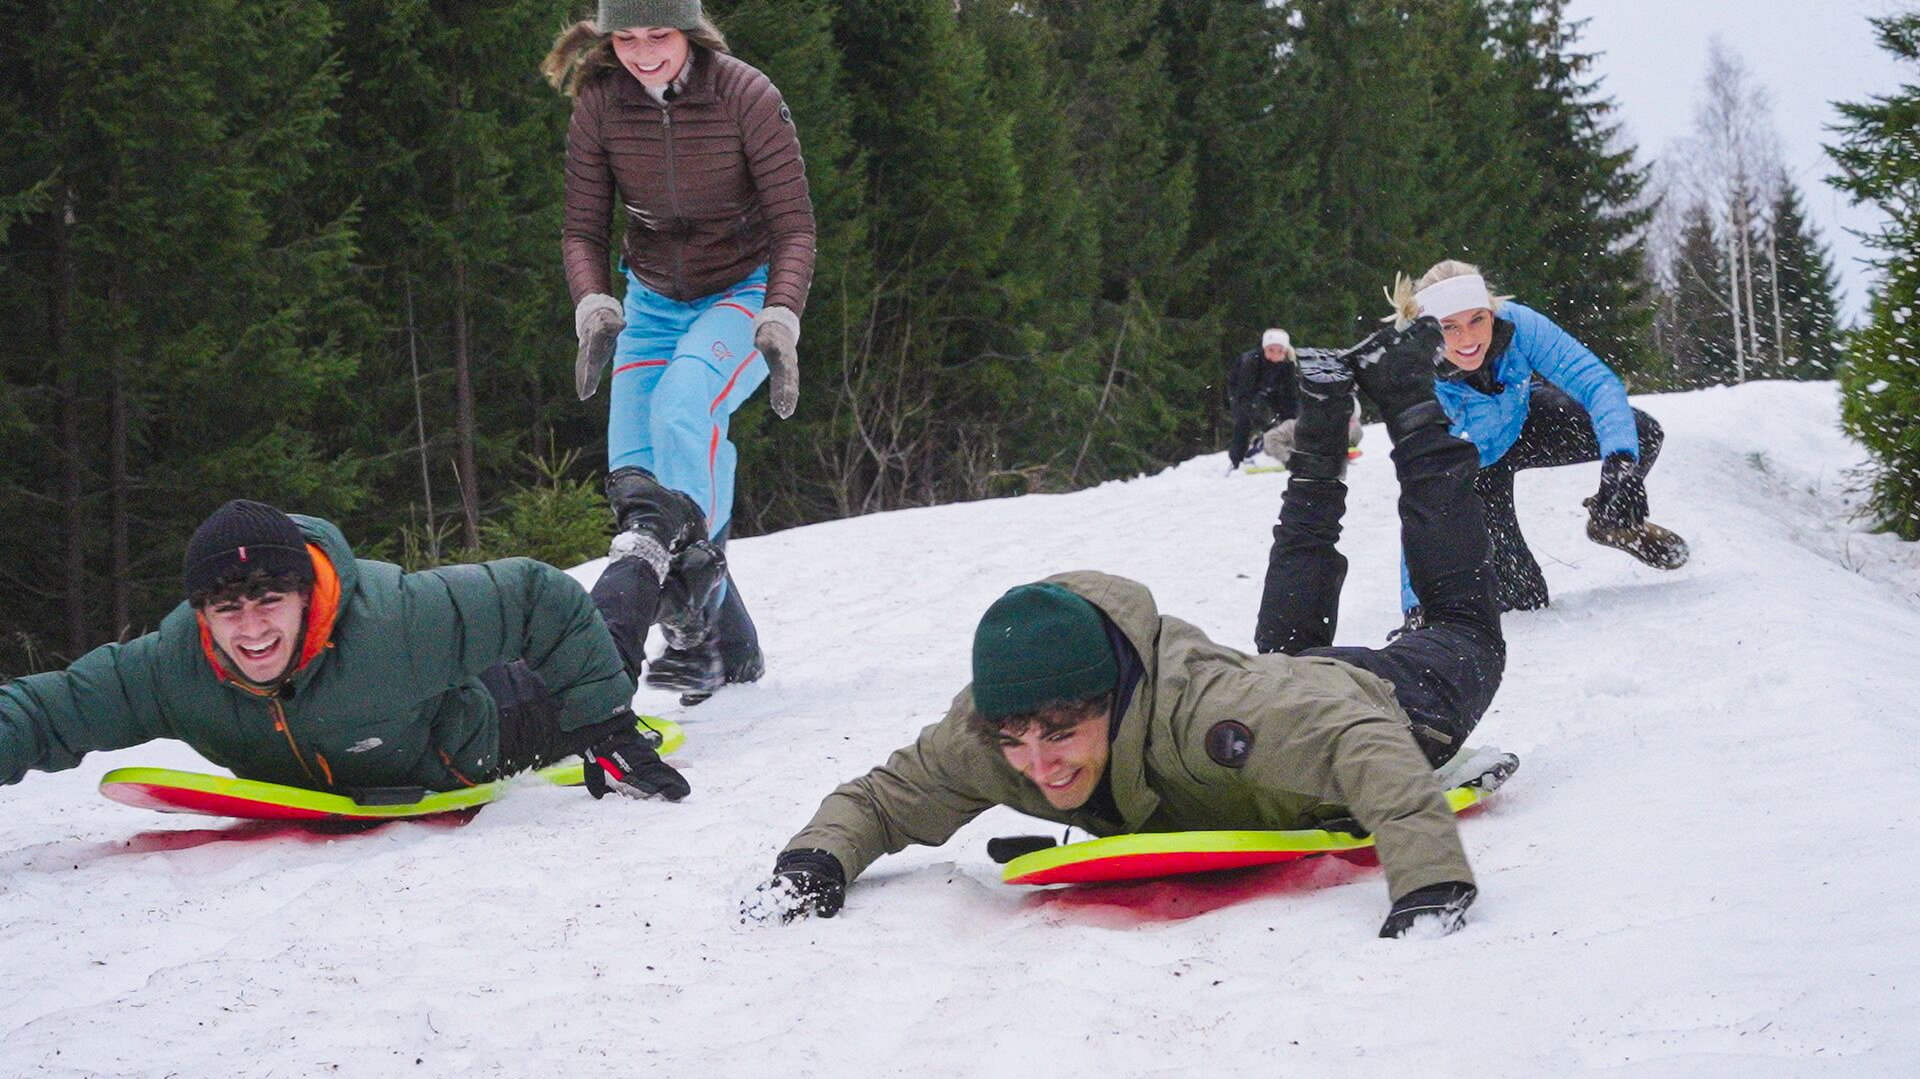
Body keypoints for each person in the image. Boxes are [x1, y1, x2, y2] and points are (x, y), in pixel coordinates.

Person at [748, 320, 1517, 938]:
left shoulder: (1211, 720)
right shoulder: (996, 735)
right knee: (1284, 663)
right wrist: (814, 861)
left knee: (1460, 620)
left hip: (1391, 701)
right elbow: (884, 798)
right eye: (1017, 742)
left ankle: (1411, 399)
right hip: (1283, 703)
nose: (1039, 766)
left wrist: (1427, 882)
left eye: (1059, 736)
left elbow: (1360, 739)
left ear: (1111, 698)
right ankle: (1318, 435)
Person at [0, 500, 688, 802]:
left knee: (608, 650)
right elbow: (46, 710)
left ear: (306, 597)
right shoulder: (173, 670)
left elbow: (539, 596)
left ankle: (649, 539)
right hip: (394, 731)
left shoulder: (389, 622)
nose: (253, 629)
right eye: (227, 608)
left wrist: (603, 727)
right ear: (202, 614)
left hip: (495, 724)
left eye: (270, 599)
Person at [543, 0, 816, 701]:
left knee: (684, 405)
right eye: (626, 38)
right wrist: (594, 302)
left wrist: (780, 316)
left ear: (688, 31)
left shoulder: (745, 95)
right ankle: (733, 648)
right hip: (653, 299)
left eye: (657, 35)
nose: (642, 52)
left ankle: (690, 633)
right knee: (637, 476)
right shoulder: (601, 104)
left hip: (744, 293)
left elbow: (794, 227)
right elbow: (582, 227)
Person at [1390, 261, 1687, 617]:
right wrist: (1415, 607)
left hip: (1525, 424)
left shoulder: (1517, 324)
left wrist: (1621, 464)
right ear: (1428, 328)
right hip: (1474, 468)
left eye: (1477, 320)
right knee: (1525, 600)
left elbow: (1596, 382)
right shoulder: (1415, 378)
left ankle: (1613, 521)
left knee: (1640, 434)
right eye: (1449, 327)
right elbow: (1422, 500)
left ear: (1491, 311)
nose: (1467, 339)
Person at [1225, 329, 1363, 470]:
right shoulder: (1251, 362)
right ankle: (1237, 461)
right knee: (1243, 420)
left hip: (1271, 389)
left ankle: (1289, 447)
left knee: (1289, 413)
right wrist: (1263, 423)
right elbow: (1244, 396)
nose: (1275, 355)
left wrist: (1293, 418)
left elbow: (1290, 394)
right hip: (1242, 390)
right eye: (1271, 350)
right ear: (1264, 348)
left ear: (1285, 351)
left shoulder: (1287, 363)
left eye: (1280, 351)